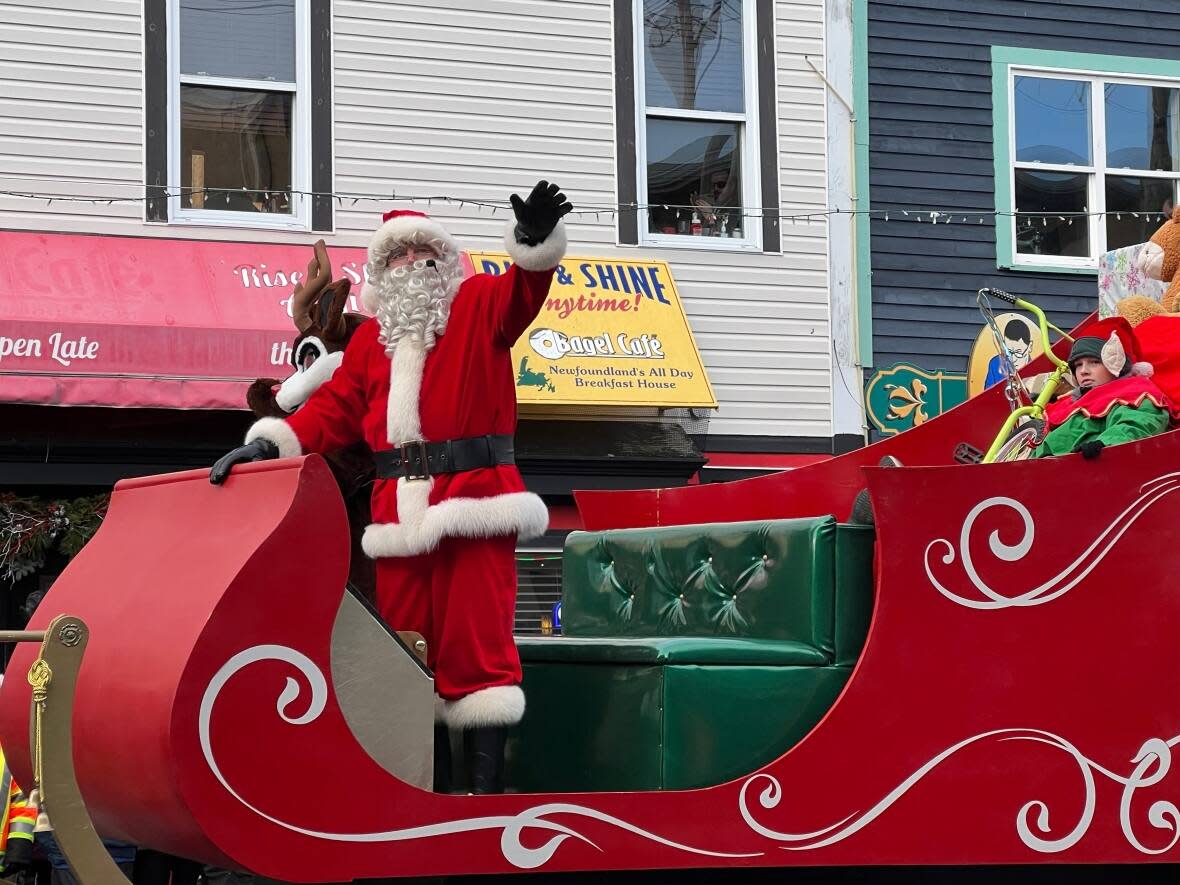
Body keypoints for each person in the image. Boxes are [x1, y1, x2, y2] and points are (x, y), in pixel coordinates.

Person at [210, 180, 573, 794]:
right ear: (381, 272)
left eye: (422, 252)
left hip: (474, 507)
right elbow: (329, 412)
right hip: (398, 522)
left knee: (478, 653)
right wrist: (269, 442)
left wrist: (534, 242)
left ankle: (479, 806)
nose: (411, 264)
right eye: (396, 256)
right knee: (407, 660)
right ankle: (421, 798)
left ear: (443, 261)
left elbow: (524, 292)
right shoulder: (371, 350)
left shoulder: (480, 304)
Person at [1033, 316, 1174, 459]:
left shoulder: (1135, 393)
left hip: (1095, 471)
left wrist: (1105, 443)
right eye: (1078, 365)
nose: (1083, 371)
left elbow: (1138, 425)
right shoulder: (1068, 402)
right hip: (1040, 472)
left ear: (1117, 364)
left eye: (1094, 362)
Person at [985, 319, 1032, 388]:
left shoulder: (1037, 369)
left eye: (1018, 352)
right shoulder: (995, 364)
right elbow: (988, 395)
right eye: (1009, 352)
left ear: (1029, 347)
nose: (1013, 359)